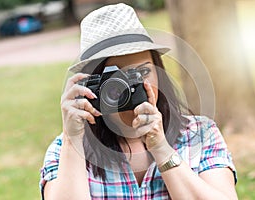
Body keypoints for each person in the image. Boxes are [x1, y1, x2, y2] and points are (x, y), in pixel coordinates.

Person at [40, 3, 237, 200]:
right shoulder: (64, 150)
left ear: (159, 72)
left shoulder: (200, 134)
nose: (132, 87)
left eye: (142, 72)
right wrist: (72, 140)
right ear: (92, 84)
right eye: (118, 79)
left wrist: (162, 149)